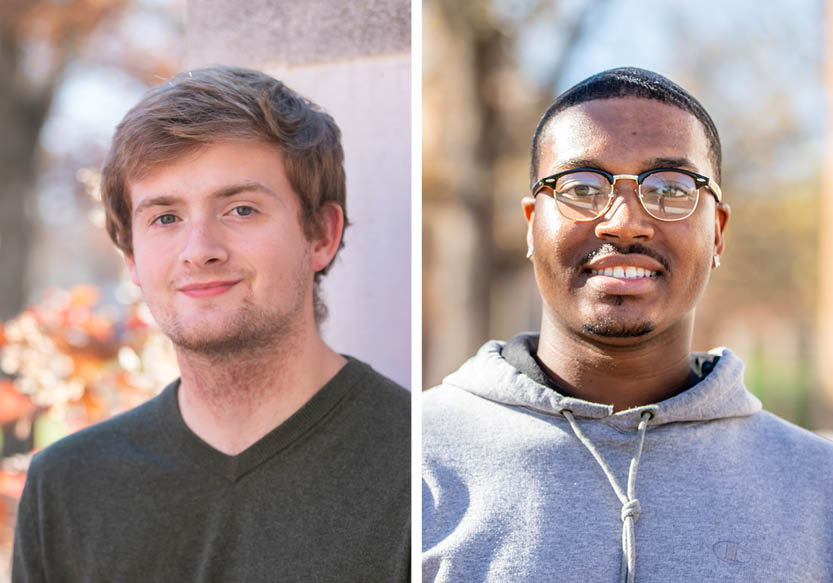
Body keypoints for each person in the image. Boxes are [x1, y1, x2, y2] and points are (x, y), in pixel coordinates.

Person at [422, 67, 833, 582]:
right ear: (532, 224)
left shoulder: (819, 488)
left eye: (669, 188)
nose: (624, 221)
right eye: (580, 187)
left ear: (718, 233)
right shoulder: (412, 461)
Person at [14, 66, 410, 582]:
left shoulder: (415, 465)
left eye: (241, 209)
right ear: (131, 255)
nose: (199, 251)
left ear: (319, 236)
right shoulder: (67, 487)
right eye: (165, 218)